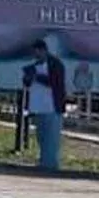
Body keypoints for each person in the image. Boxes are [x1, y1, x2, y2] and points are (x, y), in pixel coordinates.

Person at [21, 39, 67, 171]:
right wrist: (27, 78)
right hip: (38, 106)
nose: (36, 56)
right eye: (34, 53)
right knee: (41, 136)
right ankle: (43, 161)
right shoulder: (34, 66)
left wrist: (37, 77)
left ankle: (51, 164)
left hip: (52, 106)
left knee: (52, 137)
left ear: (44, 51)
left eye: (38, 52)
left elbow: (56, 83)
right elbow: (27, 84)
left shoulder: (56, 64)